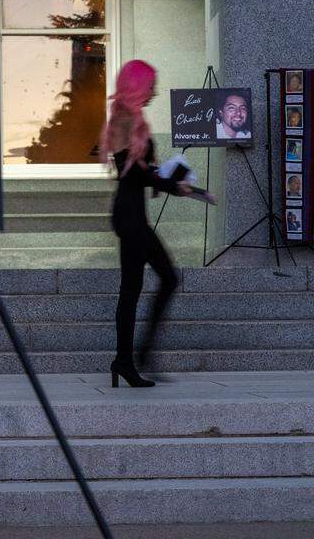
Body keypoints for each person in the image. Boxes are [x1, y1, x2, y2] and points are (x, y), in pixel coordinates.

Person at [100, 60, 189, 388]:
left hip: (132, 213)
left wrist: (170, 179)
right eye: (151, 84)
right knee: (147, 283)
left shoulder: (133, 119)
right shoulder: (123, 117)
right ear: (138, 85)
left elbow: (141, 171)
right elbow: (132, 171)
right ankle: (132, 357)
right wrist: (168, 183)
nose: (154, 90)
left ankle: (131, 358)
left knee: (150, 283)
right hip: (129, 215)